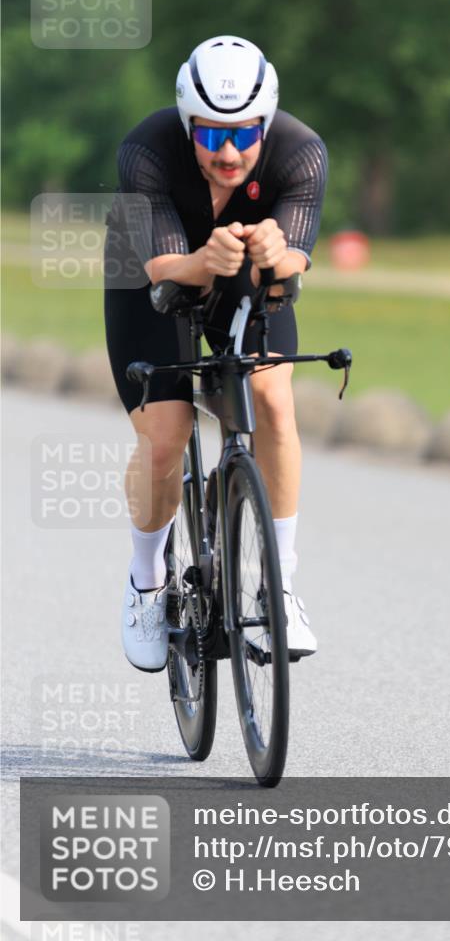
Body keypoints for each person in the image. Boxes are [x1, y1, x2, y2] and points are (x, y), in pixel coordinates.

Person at [104, 35, 328, 672]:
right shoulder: (146, 151)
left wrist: (276, 253)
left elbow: (296, 261)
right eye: (208, 136)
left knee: (272, 401)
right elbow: (164, 271)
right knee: (167, 434)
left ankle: (280, 585)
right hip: (150, 273)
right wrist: (205, 260)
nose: (228, 152)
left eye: (243, 135)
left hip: (246, 269)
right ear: (186, 124)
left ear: (267, 123)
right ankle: (146, 579)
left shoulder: (301, 152)